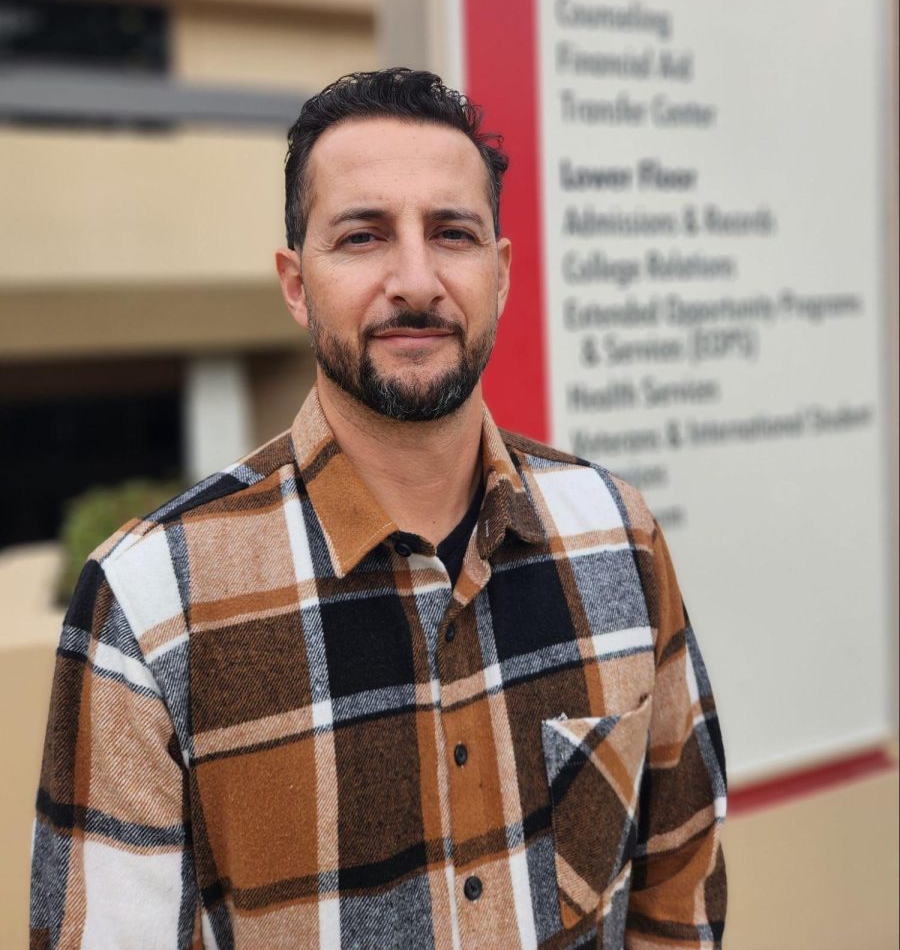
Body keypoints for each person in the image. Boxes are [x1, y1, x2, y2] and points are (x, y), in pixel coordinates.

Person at [31, 69, 726, 949]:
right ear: (295, 283)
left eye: (452, 233)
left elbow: (680, 882)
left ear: (501, 273)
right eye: (363, 236)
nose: (415, 280)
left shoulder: (618, 536)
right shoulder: (150, 608)